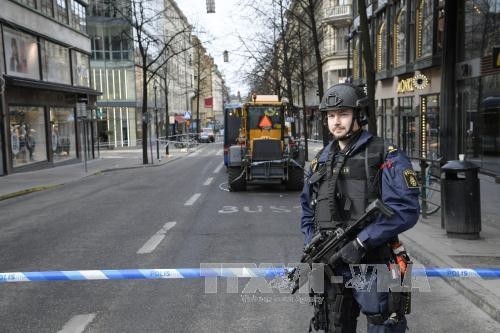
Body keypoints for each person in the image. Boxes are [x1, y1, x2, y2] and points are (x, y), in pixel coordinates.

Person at [299, 83, 420, 332]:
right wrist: (313, 243)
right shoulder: (320, 160)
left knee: (382, 323)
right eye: (331, 116)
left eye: (343, 114)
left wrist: (362, 242)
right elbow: (307, 210)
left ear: (359, 115)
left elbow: (406, 208)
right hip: (332, 266)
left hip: (372, 264)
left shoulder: (385, 155)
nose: (336, 122)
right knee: (333, 325)